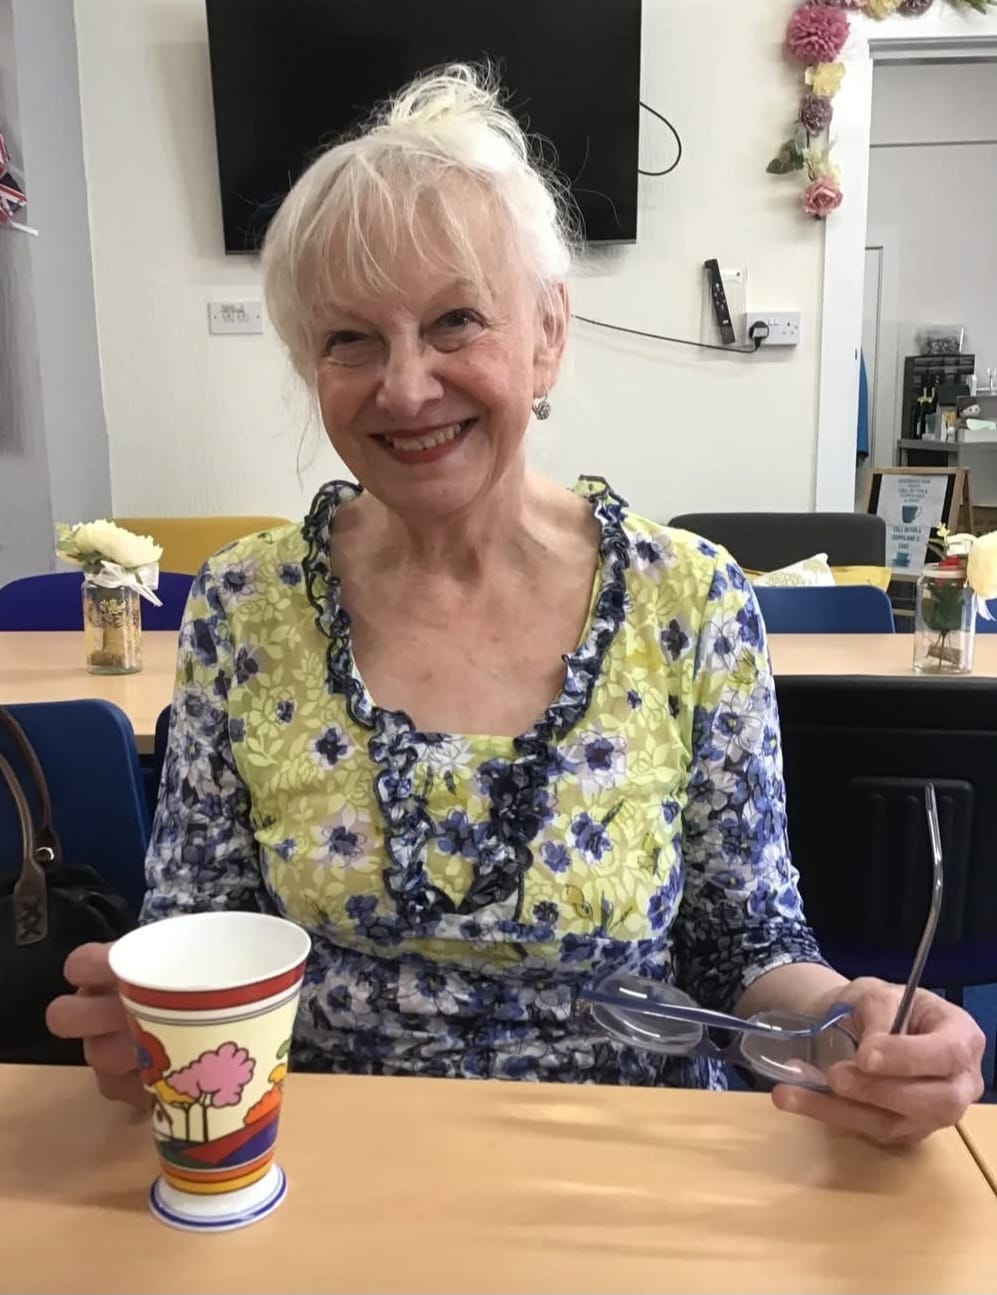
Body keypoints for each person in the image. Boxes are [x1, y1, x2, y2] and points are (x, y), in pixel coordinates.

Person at [48, 66, 983, 1144]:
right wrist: (148, 1025)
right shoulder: (241, 608)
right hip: (325, 1167)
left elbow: (746, 947)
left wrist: (842, 1032)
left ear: (546, 334)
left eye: (454, 322)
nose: (404, 386)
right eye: (351, 338)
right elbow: (197, 934)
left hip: (632, 1168)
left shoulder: (691, 600)